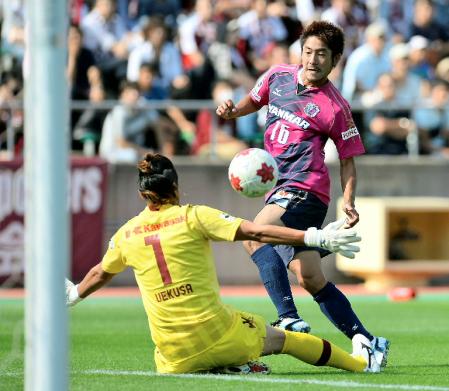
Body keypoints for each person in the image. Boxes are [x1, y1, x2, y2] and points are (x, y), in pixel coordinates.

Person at [65, 153, 383, 375]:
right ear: (175, 187)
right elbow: (257, 231)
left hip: (172, 360)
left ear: (141, 194)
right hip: (221, 336)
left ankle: (227, 366)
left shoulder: (126, 235)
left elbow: (97, 273)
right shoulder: (193, 216)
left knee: (191, 349)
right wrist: (314, 238)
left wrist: (74, 295)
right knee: (288, 340)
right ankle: (360, 363)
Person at [216, 20, 390, 361]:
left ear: (335, 59)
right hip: (278, 188)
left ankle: (288, 318)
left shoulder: (335, 106)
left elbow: (348, 159)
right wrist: (233, 111)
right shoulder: (277, 76)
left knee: (253, 236)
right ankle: (367, 340)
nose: (312, 59)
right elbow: (254, 99)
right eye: (308, 51)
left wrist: (350, 201)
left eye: (321, 54)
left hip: (305, 188)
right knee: (309, 276)